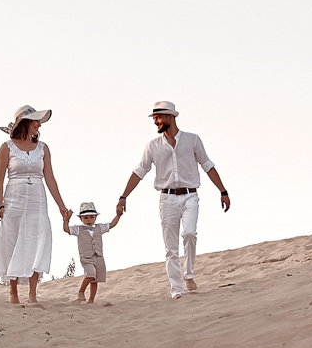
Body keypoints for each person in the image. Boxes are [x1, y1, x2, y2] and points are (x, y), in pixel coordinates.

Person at [113, 99, 229, 299]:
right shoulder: (152, 146)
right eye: (154, 118)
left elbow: (207, 165)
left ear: (170, 117)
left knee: (190, 233)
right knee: (171, 247)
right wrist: (123, 196)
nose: (155, 121)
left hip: (190, 195)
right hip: (166, 200)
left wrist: (223, 191)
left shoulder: (193, 140)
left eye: (158, 117)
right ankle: (177, 290)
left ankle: (189, 273)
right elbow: (140, 171)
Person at [0, 105, 71, 305]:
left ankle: (33, 292)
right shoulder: (7, 147)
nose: (39, 124)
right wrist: (0, 205)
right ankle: (13, 292)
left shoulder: (43, 148)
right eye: (36, 120)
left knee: (39, 240)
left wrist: (61, 206)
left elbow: (49, 177)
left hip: (37, 199)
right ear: (25, 122)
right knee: (13, 242)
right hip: (14, 197)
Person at [66, 202, 118, 303]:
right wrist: (66, 220)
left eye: (91, 217)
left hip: (98, 256)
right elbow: (66, 229)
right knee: (90, 274)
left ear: (95, 217)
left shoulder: (99, 228)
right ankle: (81, 292)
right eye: (85, 218)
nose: (89, 220)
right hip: (86, 257)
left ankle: (91, 300)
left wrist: (118, 215)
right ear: (81, 218)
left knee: (95, 280)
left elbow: (111, 225)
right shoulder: (78, 229)